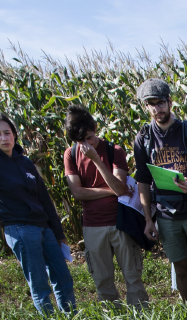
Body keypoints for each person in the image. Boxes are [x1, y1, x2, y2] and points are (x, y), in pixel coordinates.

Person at [0, 111, 76, 314]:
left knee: (63, 278)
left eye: (7, 133)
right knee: (39, 283)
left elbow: (44, 199)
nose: (4, 138)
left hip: (44, 228)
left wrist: (59, 233)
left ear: (14, 134)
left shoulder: (25, 162)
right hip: (20, 229)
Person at [132, 79, 187, 309]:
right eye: (151, 104)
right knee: (180, 268)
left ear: (170, 102)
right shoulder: (143, 138)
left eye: (160, 103)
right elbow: (142, 179)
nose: (156, 109)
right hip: (165, 216)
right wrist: (148, 219)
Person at [62, 104, 147, 309]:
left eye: (89, 138)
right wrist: (111, 191)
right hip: (93, 225)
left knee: (133, 277)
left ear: (96, 129)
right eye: (79, 141)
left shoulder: (113, 151)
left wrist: (97, 160)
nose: (85, 145)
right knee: (102, 280)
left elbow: (120, 185)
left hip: (120, 223)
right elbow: (78, 192)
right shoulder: (70, 155)